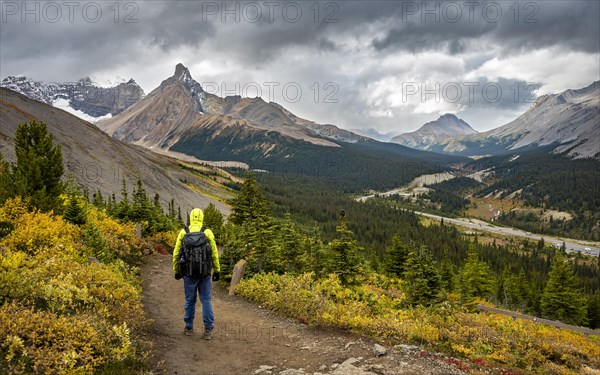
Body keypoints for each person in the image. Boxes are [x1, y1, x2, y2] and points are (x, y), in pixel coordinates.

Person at [173, 208, 221, 339]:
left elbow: (176, 253)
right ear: (201, 217)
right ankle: (208, 330)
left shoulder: (184, 232)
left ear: (191, 217)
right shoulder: (207, 232)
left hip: (188, 273)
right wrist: (217, 270)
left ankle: (188, 327)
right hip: (204, 273)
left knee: (190, 300)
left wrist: (176, 270)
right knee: (206, 300)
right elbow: (214, 253)